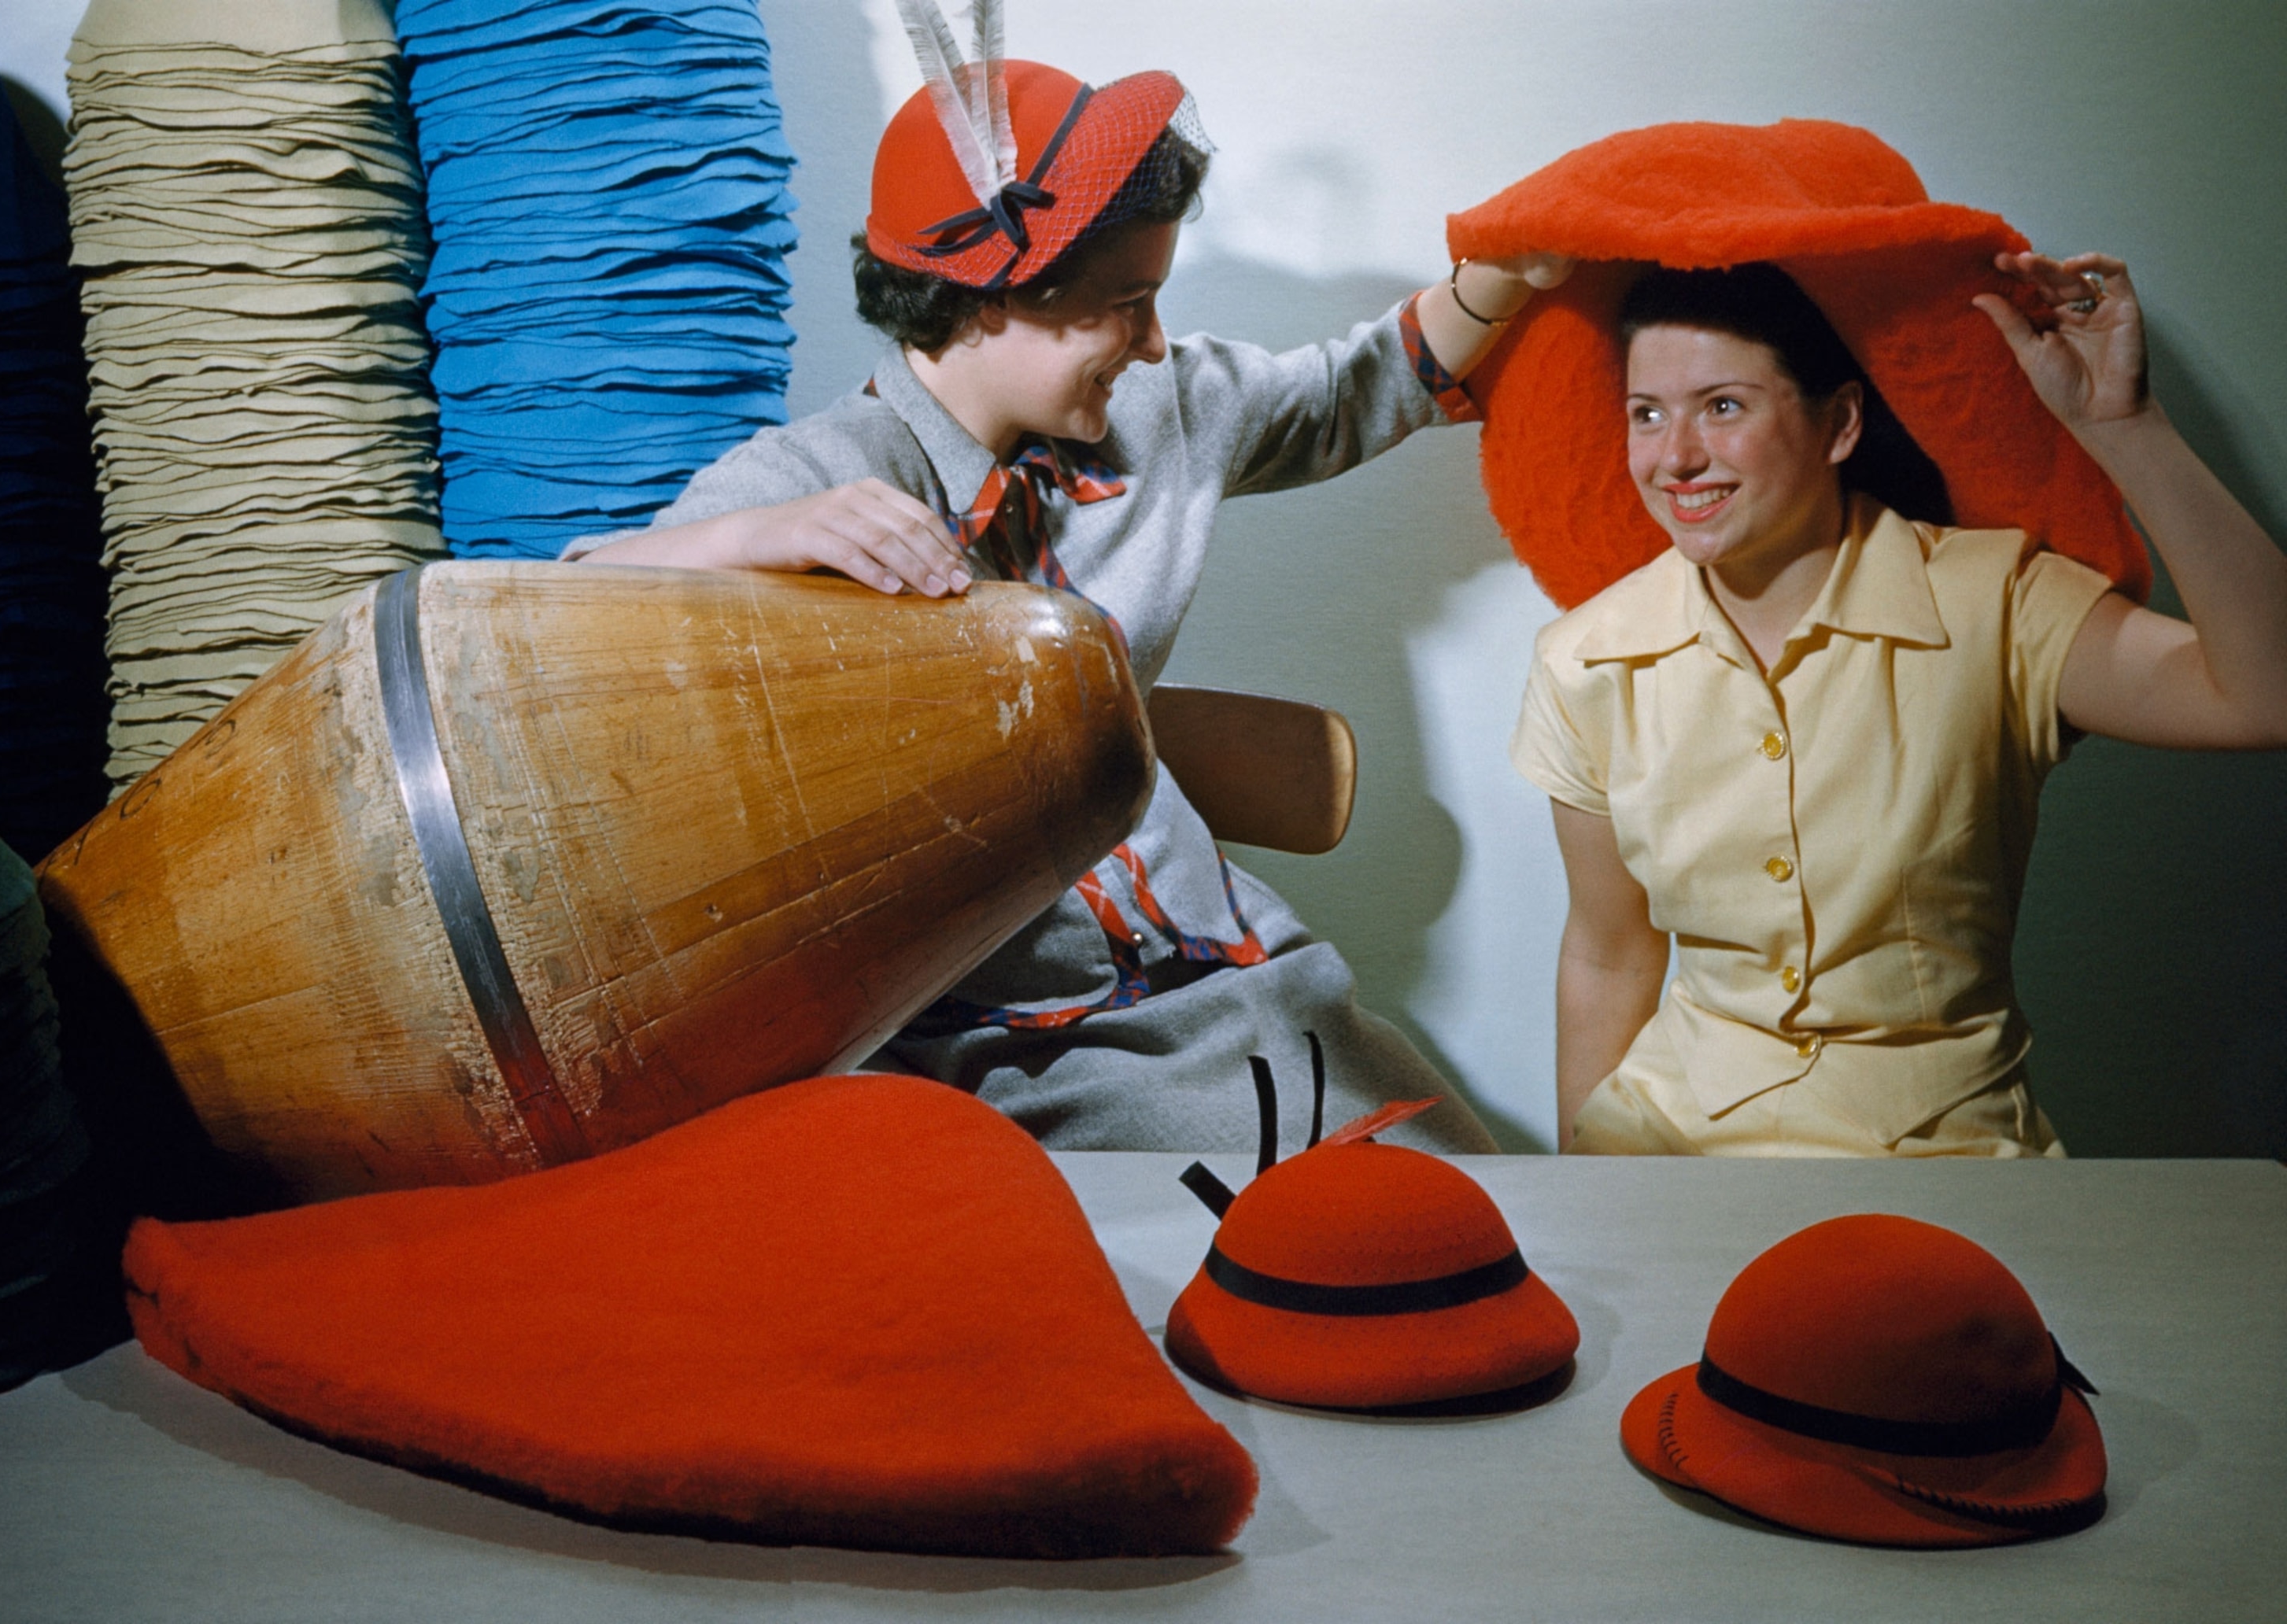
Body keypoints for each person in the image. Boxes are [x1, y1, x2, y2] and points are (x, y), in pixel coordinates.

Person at [571, 33, 1560, 1151]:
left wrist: (1509, 273)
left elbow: (1351, 389)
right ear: (992, 297)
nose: (1150, 343)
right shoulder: (817, 479)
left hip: (1247, 990)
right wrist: (760, 534)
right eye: (1122, 304)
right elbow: (543, 621)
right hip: (995, 1044)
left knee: (1474, 1221)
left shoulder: (1165, 410)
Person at [1512, 253, 2287, 1157]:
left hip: (1941, 1154)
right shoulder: (1586, 659)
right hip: (1671, 1149)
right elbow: (1610, 955)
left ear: (1839, 422)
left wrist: (2124, 424)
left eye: (1723, 407)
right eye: (1647, 415)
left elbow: (2266, 697)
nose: (1676, 456)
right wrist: (1586, 1194)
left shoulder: (1993, 601)